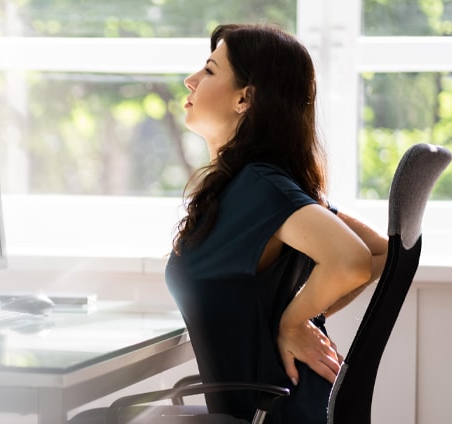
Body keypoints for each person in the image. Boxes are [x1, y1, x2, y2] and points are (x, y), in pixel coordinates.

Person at [165, 24, 388, 423]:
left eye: (210, 70)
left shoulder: (260, 187)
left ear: (245, 98)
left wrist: (293, 319)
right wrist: (298, 313)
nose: (191, 80)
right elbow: (382, 251)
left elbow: (356, 259)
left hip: (274, 414)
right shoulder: (259, 184)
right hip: (286, 406)